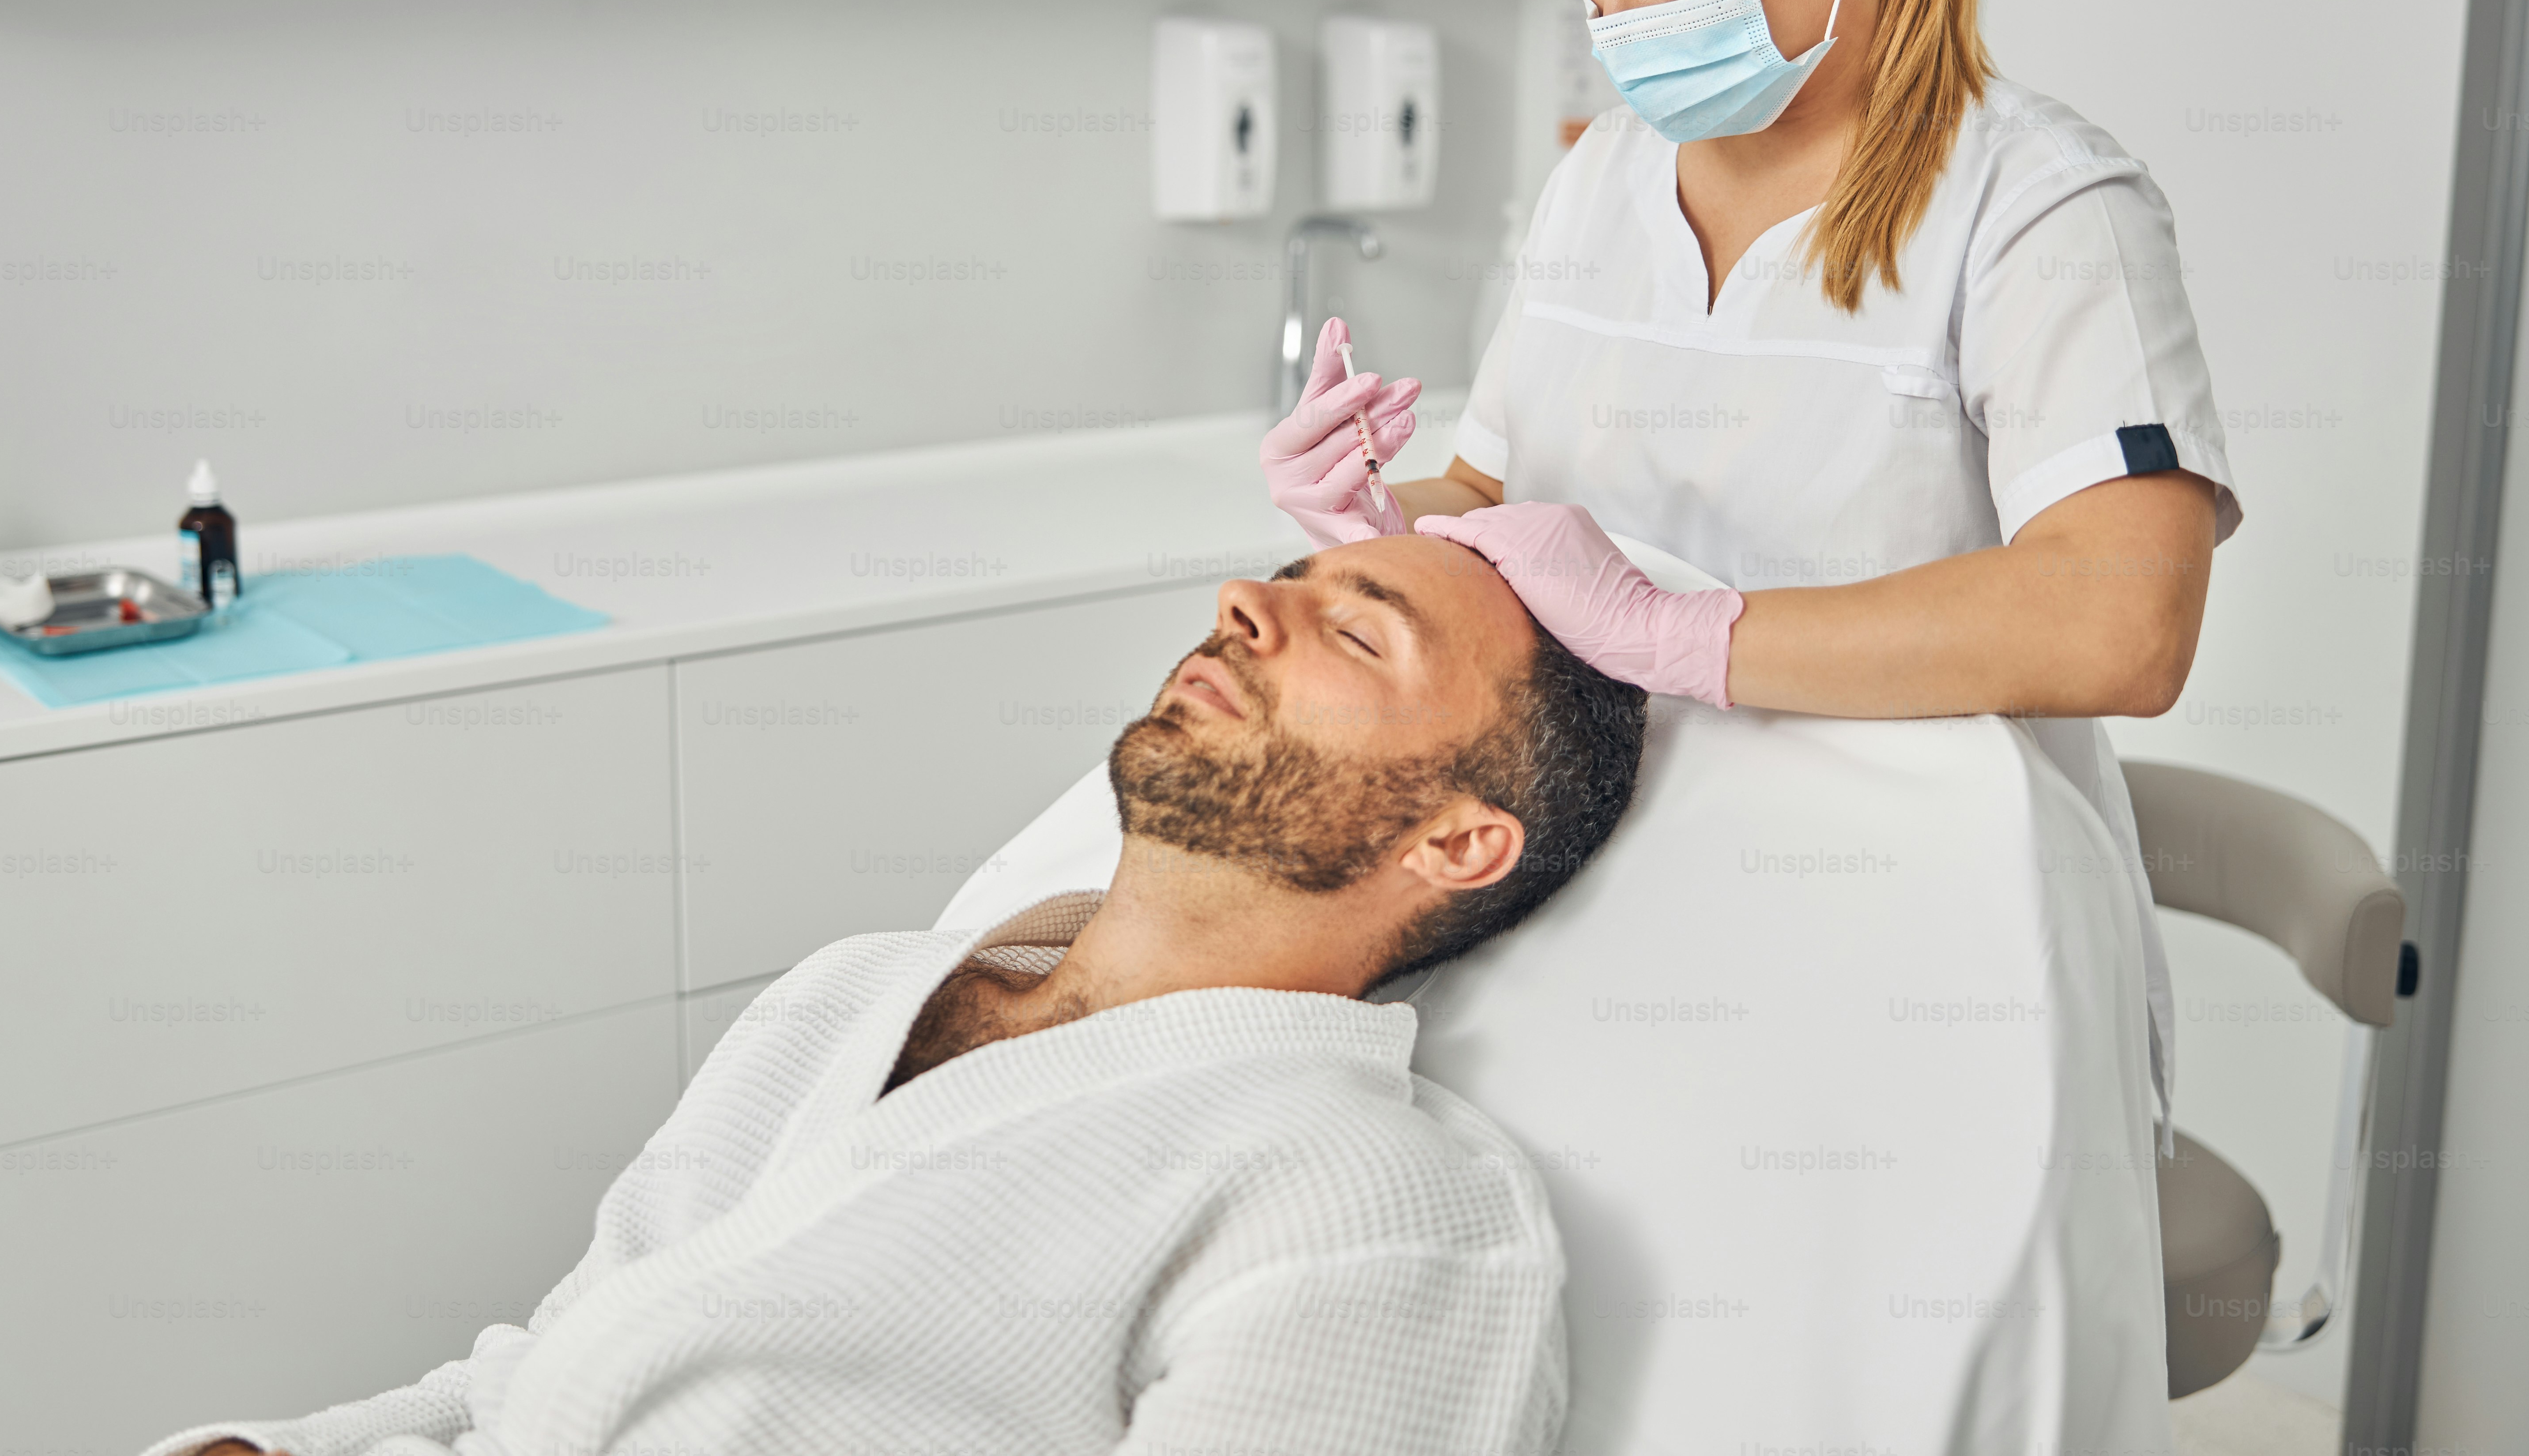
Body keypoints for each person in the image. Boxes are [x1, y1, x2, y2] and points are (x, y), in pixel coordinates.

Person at [1265, 0, 2241, 1135]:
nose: (1619, 22)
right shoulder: (1600, 184)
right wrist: (1385, 523)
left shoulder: (2040, 208)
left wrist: (1686, 636)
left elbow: (2125, 620)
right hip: (1601, 889)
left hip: (1915, 924)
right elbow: (1506, 499)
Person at [151, 533, 1648, 1456]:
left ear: (1456, 841)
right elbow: (555, 1367)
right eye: (1290, 576)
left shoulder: (1371, 1200)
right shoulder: (852, 994)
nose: (1247, 598)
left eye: (1356, 629)